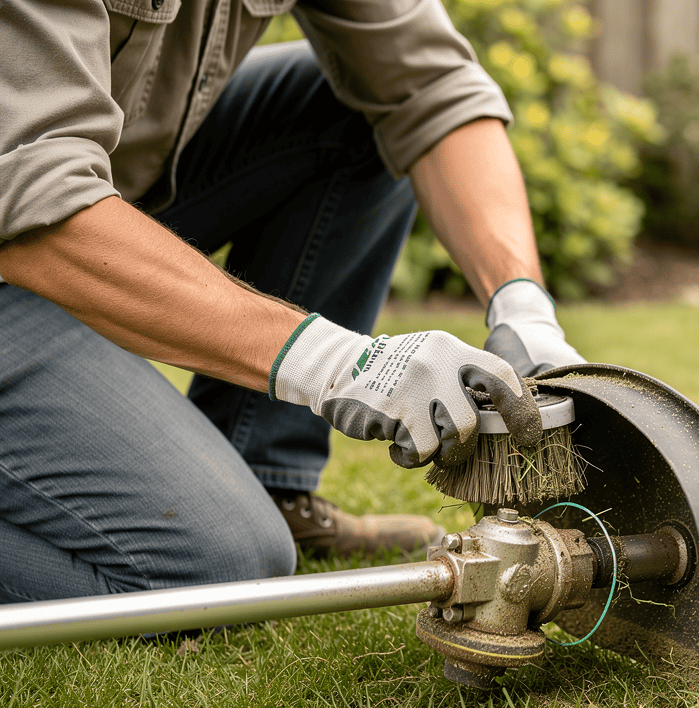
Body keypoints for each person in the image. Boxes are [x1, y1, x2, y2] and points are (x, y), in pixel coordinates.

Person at [0, 0, 585, 603]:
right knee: (217, 563)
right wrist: (332, 362)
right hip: (24, 219)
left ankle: (268, 481)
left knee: (348, 109)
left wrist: (522, 307)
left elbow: (432, 85)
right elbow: (31, 185)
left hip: (92, 191)